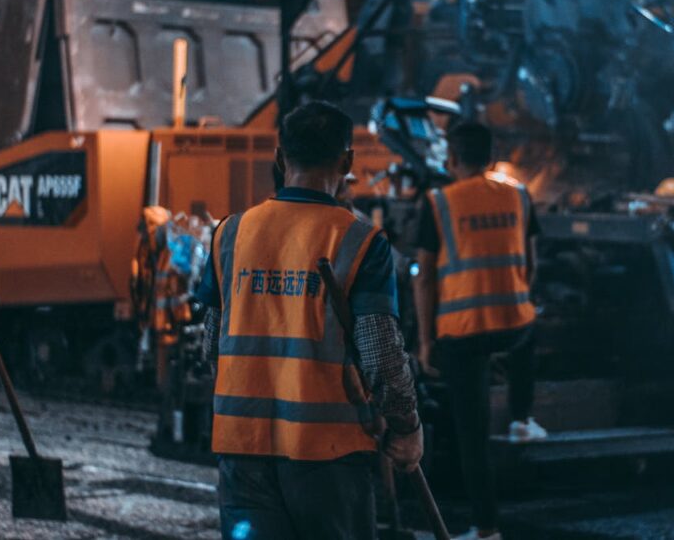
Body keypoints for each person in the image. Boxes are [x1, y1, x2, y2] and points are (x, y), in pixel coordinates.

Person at [196, 102, 423, 540]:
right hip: (328, 458)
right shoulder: (358, 239)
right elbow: (380, 353)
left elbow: (211, 346)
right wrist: (406, 427)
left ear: (280, 159)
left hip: (242, 451)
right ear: (348, 162)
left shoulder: (230, 233)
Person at [412, 122, 547, 540]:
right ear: (491, 158)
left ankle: (486, 529)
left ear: (451, 159)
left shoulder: (438, 203)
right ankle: (523, 418)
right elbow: (533, 262)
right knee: (530, 321)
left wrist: (425, 341)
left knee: (472, 433)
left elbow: (423, 278)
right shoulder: (520, 195)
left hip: (463, 332)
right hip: (514, 325)